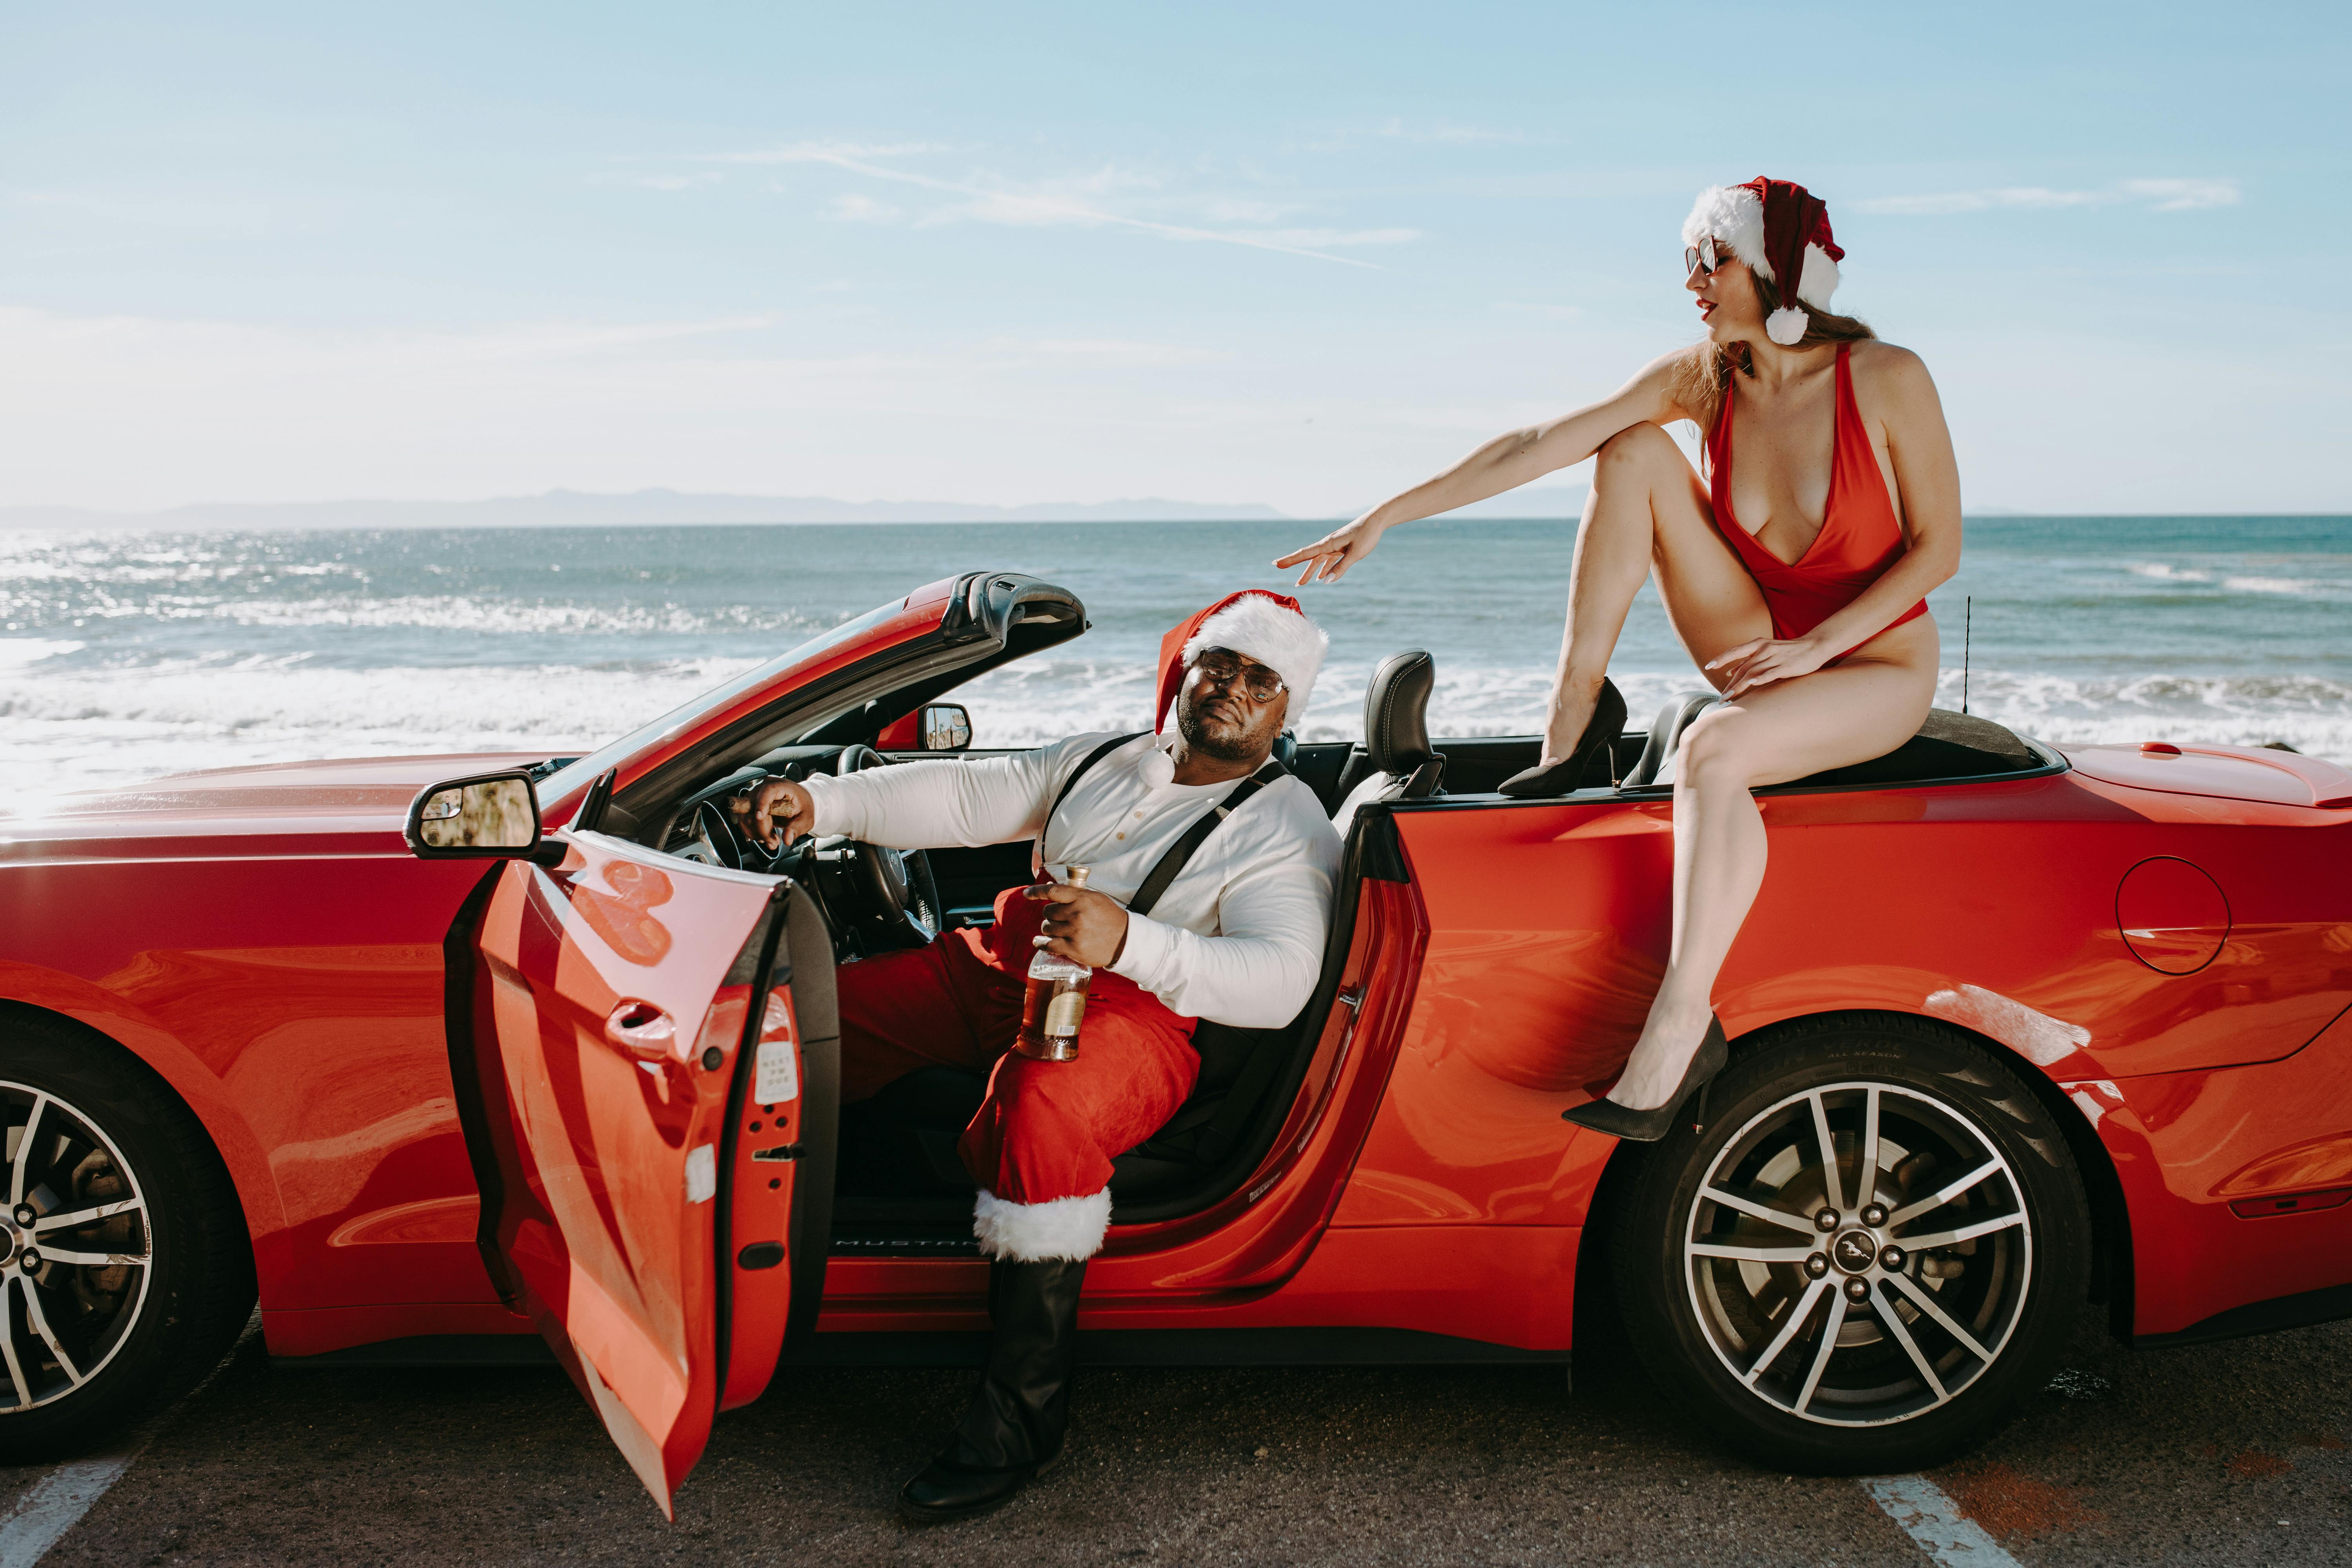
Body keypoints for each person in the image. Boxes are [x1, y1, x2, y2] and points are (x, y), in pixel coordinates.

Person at [1273, 177, 1960, 1140]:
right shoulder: (1701, 377)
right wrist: (1385, 513)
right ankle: (1573, 724)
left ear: (1777, 269)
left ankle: (1682, 1025)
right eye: (1692, 263)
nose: (1694, 284)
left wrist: (1821, 645)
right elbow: (1537, 443)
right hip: (1761, 648)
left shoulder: (1888, 377)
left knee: (1713, 750)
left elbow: (1939, 548)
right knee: (1628, 449)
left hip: (1873, 667)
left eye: (1711, 261)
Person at [730, 589, 1343, 1521]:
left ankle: (1022, 1414)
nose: (1232, 688)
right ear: (1188, 669)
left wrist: (1132, 941)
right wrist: (823, 801)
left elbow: (1281, 982)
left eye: (1261, 680)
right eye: (1220, 664)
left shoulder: (1285, 826)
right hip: (999, 970)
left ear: (1286, 709)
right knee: (802, 1025)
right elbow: (968, 795)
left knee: (1041, 1104)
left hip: (1137, 1022)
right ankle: (746, 1250)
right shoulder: (1104, 756)